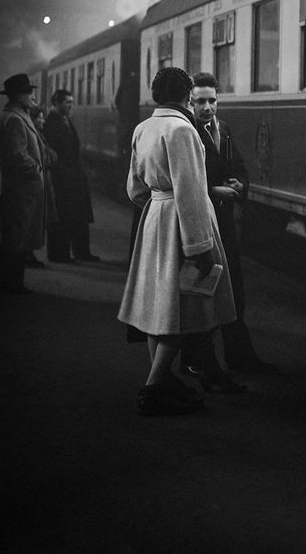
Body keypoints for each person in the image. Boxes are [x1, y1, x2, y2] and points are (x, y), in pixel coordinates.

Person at [118, 67, 237, 416]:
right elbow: (190, 192)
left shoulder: (144, 127)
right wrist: (199, 246)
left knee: (159, 307)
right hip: (181, 222)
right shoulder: (182, 129)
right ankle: (154, 387)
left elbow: (134, 188)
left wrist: (156, 205)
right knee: (179, 310)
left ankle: (163, 378)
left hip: (154, 216)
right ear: (186, 95)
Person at [181, 72, 276, 388]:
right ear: (189, 103)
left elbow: (240, 168)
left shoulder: (223, 129)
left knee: (234, 288)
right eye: (200, 102)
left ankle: (239, 354)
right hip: (201, 223)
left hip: (224, 224)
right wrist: (213, 190)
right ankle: (196, 361)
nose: (207, 107)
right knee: (202, 289)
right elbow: (183, 183)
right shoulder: (187, 133)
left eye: (212, 100)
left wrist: (241, 184)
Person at [0, 74, 45, 294]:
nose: (32, 96)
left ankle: (7, 281)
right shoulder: (14, 118)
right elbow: (17, 155)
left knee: (14, 235)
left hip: (18, 187)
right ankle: (11, 284)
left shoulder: (15, 114)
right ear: (17, 96)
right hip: (21, 187)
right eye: (28, 92)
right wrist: (36, 169)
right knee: (16, 237)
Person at [43, 89, 101, 263]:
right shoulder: (51, 123)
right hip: (63, 179)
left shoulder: (65, 120)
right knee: (63, 218)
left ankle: (81, 252)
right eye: (67, 102)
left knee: (76, 217)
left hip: (73, 177)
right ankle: (59, 254)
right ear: (56, 103)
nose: (70, 105)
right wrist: (64, 173)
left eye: (71, 102)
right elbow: (53, 153)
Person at [25, 105, 55, 268]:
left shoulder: (38, 134)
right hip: (36, 181)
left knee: (36, 220)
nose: (43, 120)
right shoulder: (34, 135)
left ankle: (29, 252)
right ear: (33, 119)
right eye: (40, 118)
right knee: (31, 219)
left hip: (41, 180)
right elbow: (45, 156)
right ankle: (27, 253)